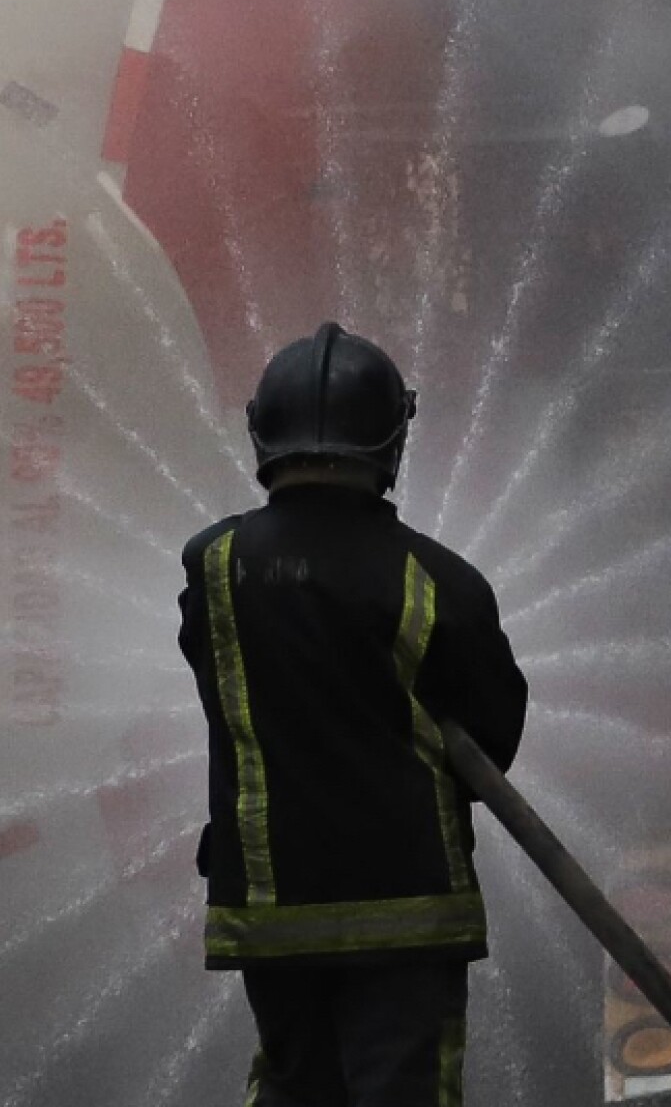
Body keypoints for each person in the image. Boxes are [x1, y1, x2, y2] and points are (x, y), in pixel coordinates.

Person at [179, 322, 529, 1107]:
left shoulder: (213, 567)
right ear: (390, 439)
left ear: (264, 432)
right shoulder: (441, 581)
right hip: (408, 910)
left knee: (293, 1088)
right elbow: (493, 740)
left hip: (269, 907)